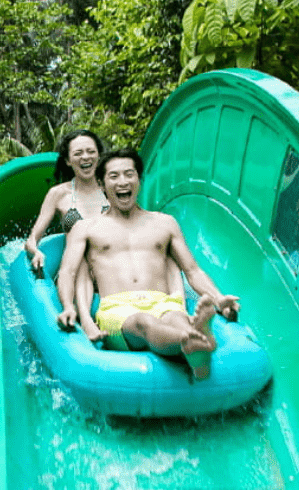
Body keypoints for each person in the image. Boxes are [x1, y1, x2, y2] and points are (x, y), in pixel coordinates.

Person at [56, 149, 240, 380]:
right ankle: (193, 341)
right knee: (144, 322)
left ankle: (195, 344)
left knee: (177, 317)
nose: (122, 182)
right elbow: (68, 271)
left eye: (129, 174)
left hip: (164, 303)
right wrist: (68, 307)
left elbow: (192, 270)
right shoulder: (86, 228)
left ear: (139, 180)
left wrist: (219, 299)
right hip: (118, 310)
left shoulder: (165, 223)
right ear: (102, 184)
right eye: (114, 176)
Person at [24, 131, 185, 339]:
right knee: (83, 256)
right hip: (80, 266)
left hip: (112, 268)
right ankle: (85, 319)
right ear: (67, 160)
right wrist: (36, 251)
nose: (86, 157)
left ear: (99, 156)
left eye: (91, 152)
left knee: (164, 251)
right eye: (78, 153)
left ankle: (177, 304)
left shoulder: (114, 187)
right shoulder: (59, 194)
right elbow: (32, 238)